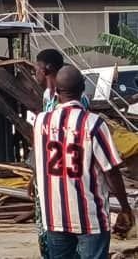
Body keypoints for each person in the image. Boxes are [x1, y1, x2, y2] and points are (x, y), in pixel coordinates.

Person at [34, 65, 132, 259]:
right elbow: (111, 170)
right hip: (90, 217)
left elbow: (39, 159)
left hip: (55, 216)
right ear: (83, 90)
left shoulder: (41, 122)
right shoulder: (93, 123)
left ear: (57, 92)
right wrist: (125, 207)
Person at [32, 49, 90, 257]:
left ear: (46, 69)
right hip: (50, 179)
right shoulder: (49, 97)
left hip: (69, 180)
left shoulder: (75, 102)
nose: (34, 74)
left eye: (36, 68)